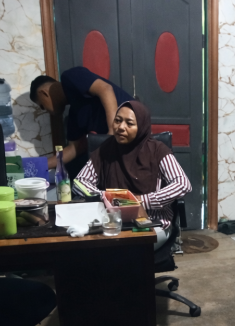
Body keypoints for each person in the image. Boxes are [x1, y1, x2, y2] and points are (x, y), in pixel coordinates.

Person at [73, 100, 190, 250]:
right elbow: (79, 182)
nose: (121, 127)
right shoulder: (106, 149)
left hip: (152, 222)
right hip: (114, 222)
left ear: (141, 127)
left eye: (129, 123)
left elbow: (183, 184)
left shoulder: (157, 150)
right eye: (118, 121)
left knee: (127, 250)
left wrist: (141, 200)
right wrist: (107, 197)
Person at [30, 67, 134, 177]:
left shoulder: (70, 76)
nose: (46, 111)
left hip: (134, 128)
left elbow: (105, 89)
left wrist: (112, 133)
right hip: (123, 146)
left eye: (42, 106)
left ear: (44, 93)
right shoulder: (75, 115)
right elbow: (74, 148)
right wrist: (40, 165)